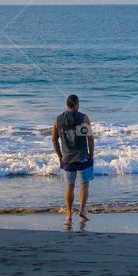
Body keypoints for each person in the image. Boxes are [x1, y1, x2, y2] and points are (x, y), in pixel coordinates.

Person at [52, 94, 94, 227]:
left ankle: (69, 214)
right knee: (84, 185)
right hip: (82, 157)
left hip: (67, 158)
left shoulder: (58, 120)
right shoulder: (83, 118)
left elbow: (54, 139)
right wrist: (91, 155)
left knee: (69, 186)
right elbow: (90, 138)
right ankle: (82, 210)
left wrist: (59, 155)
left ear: (67, 105)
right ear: (77, 104)